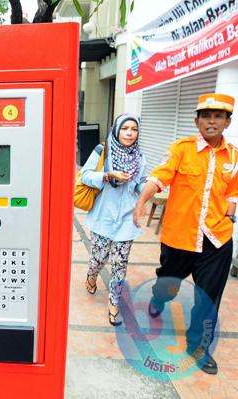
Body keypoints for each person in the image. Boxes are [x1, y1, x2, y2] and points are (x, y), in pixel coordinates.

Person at [133, 93, 238, 375]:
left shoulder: (234, 157)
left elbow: (233, 190)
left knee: (208, 297)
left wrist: (230, 207)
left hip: (216, 239)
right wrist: (142, 201)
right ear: (196, 121)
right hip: (180, 237)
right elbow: (159, 177)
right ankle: (159, 299)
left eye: (218, 116)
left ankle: (199, 346)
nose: (211, 121)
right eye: (206, 116)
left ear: (228, 122)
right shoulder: (182, 149)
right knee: (167, 284)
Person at [82, 113, 148, 326]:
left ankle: (114, 302)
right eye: (125, 128)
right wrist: (109, 175)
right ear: (117, 129)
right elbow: (85, 175)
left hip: (127, 219)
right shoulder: (103, 150)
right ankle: (92, 275)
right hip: (104, 218)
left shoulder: (139, 157)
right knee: (98, 259)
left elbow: (139, 185)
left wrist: (147, 190)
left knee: (120, 263)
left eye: (134, 129)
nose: (130, 133)